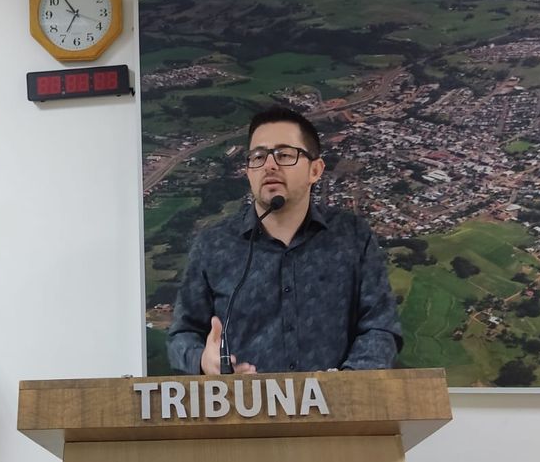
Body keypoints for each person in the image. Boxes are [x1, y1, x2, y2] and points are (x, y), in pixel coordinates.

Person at [168, 106, 402, 375]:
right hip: (243, 400)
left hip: (334, 401)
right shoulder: (213, 245)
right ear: (248, 172)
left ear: (315, 170)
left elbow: (380, 327)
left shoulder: (353, 236)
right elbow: (182, 335)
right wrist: (202, 360)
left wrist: (347, 382)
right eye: (258, 157)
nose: (269, 165)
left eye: (284, 155)